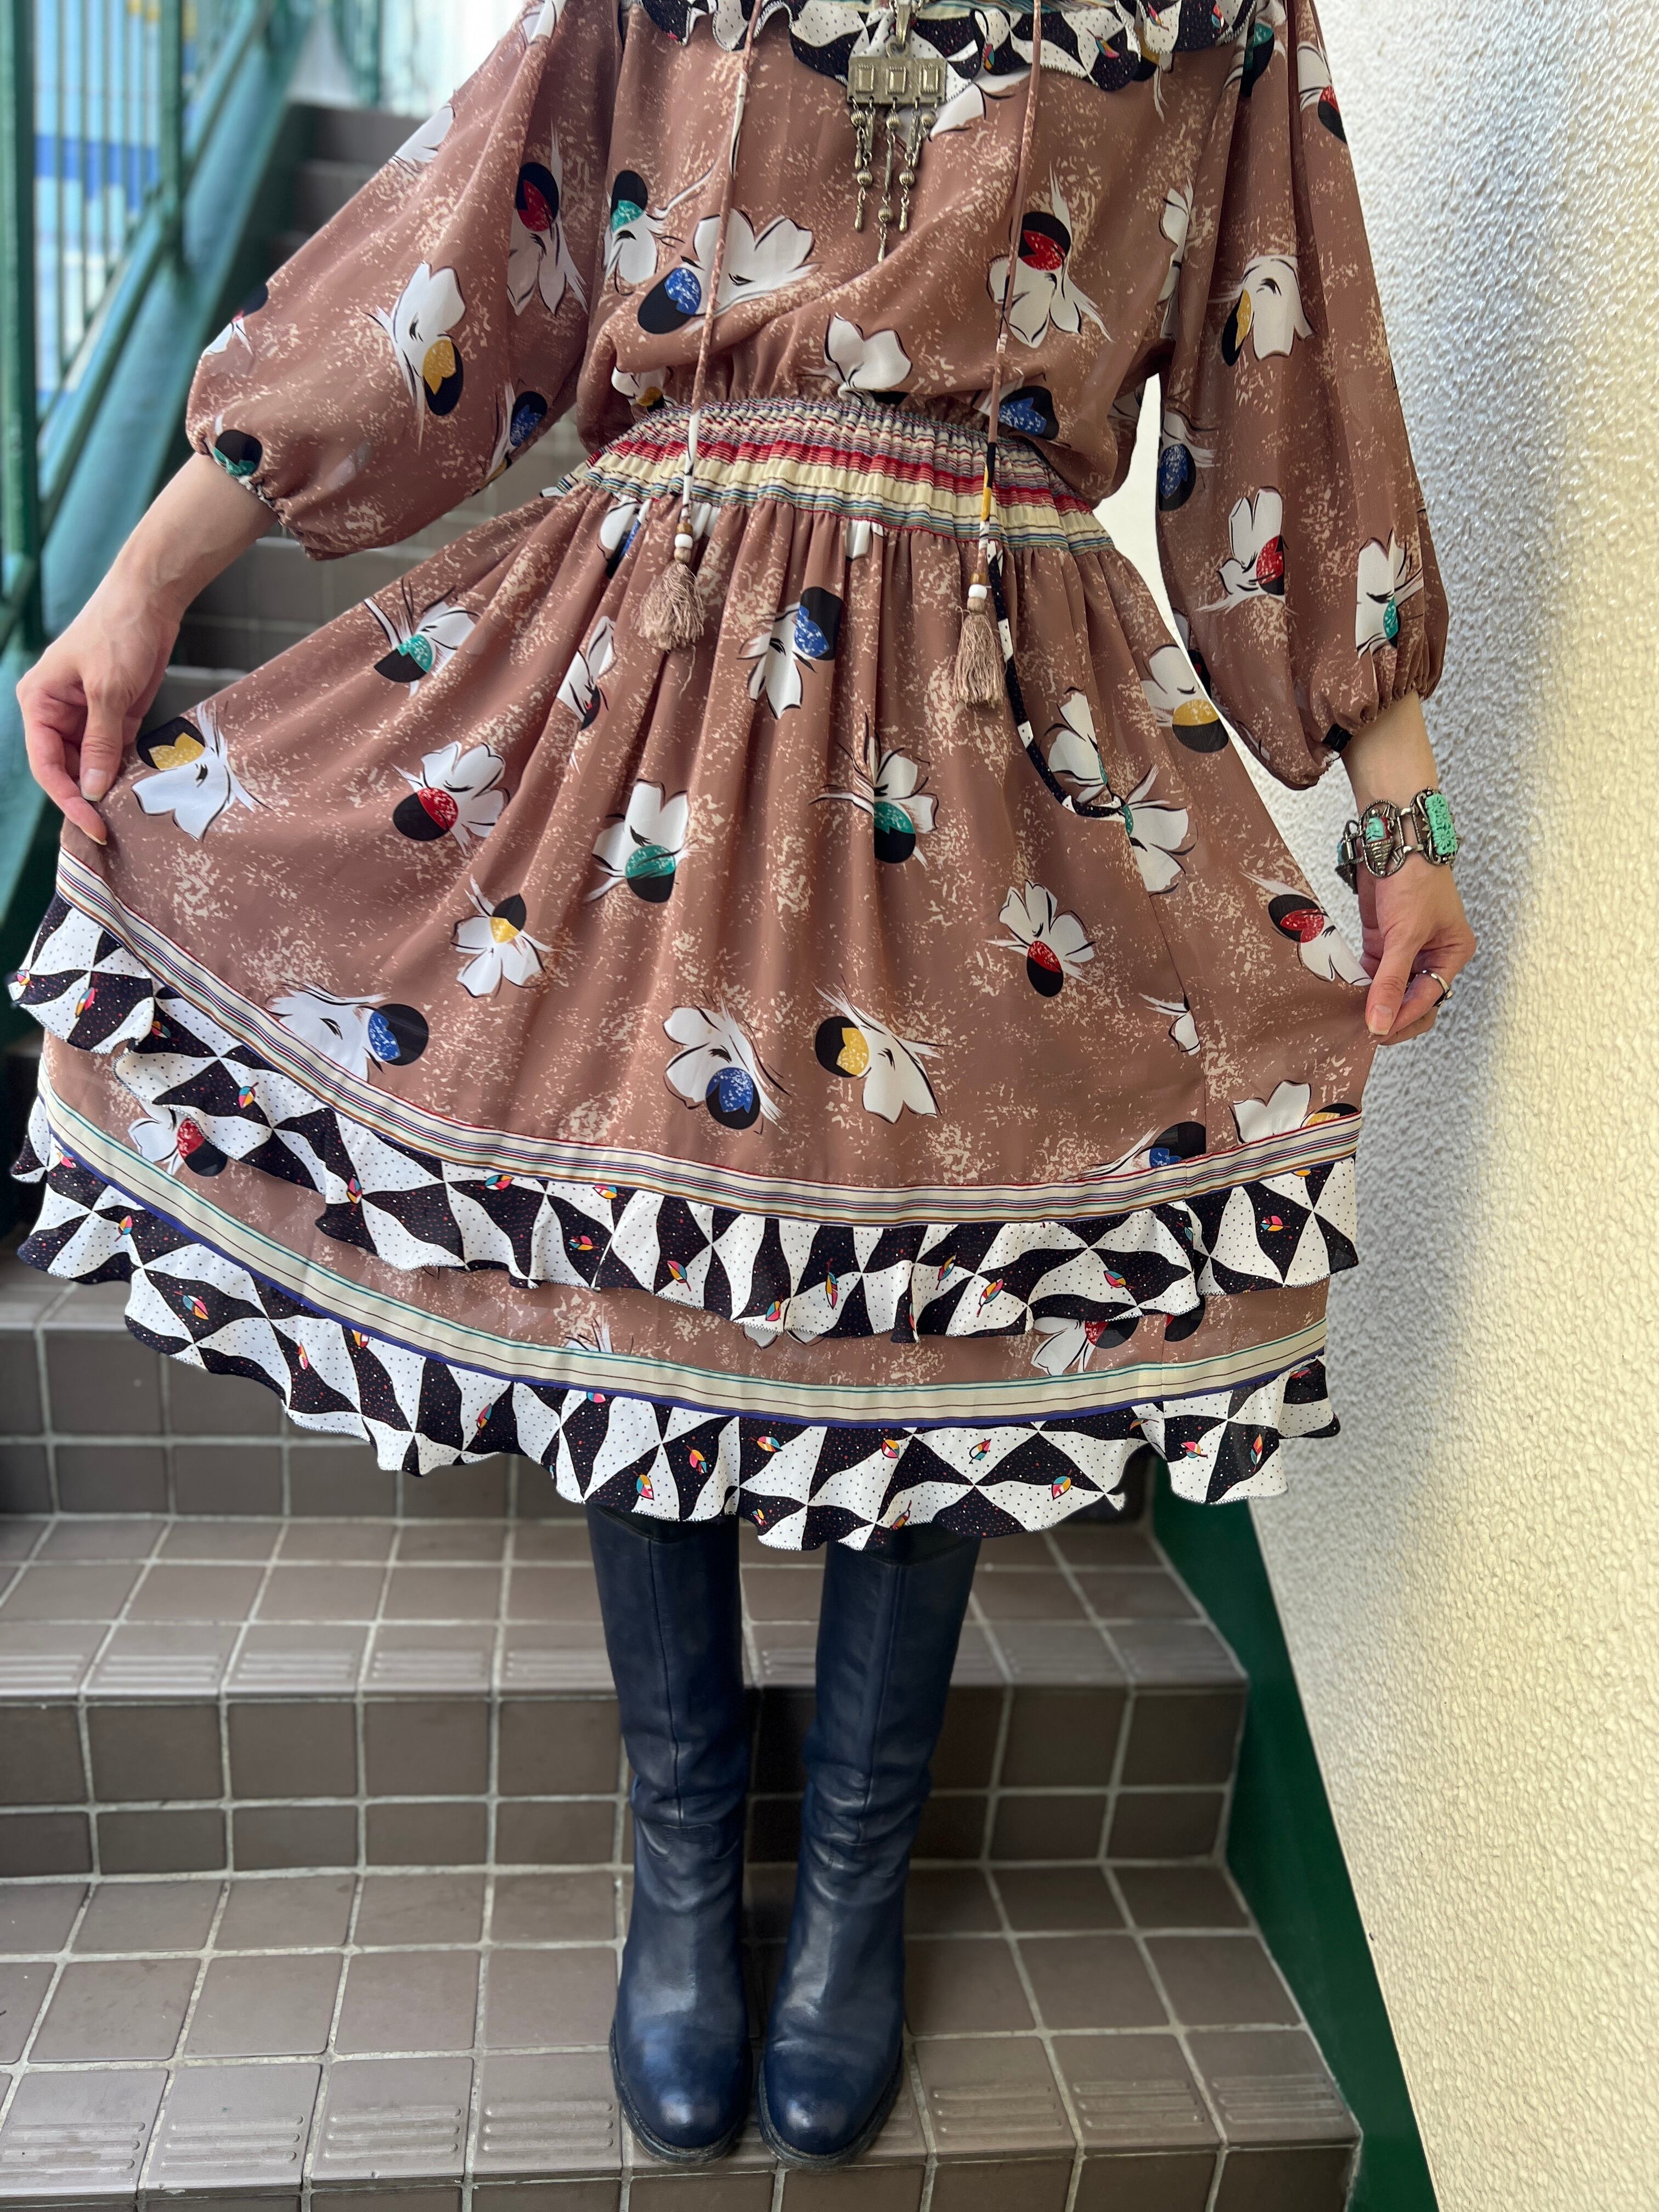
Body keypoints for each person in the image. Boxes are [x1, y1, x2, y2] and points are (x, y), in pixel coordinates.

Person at [10, 0, 1474, 2172]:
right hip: (664, 679)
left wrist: (1397, 812)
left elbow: (1291, 384)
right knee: (646, 1256)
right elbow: (464, 242)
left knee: (946, 1287)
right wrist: (144, 584)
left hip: (997, 717)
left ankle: (855, 1889)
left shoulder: (1209, 12)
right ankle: (686, 1861)